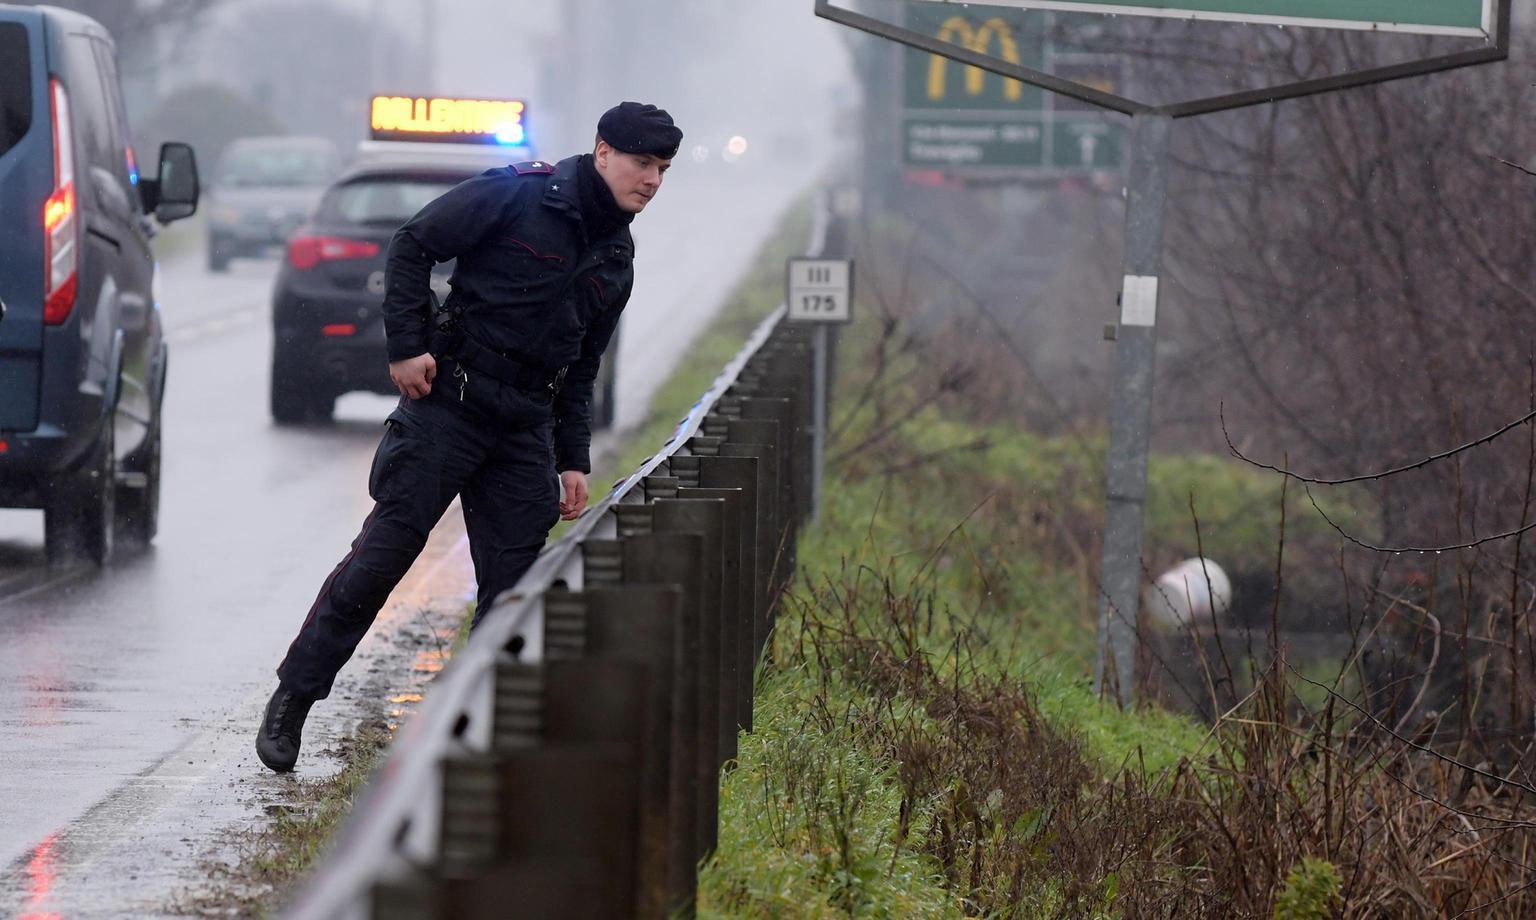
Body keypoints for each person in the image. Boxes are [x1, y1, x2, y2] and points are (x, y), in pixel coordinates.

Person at [255, 102, 682, 773]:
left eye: (662, 168)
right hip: (447, 408)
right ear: (602, 152)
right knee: (381, 559)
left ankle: (469, 740)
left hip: (524, 431)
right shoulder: (517, 194)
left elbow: (582, 368)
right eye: (641, 162)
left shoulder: (616, 258)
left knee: (512, 598)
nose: (653, 179)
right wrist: (405, 346)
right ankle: (295, 697)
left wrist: (573, 460)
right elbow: (413, 244)